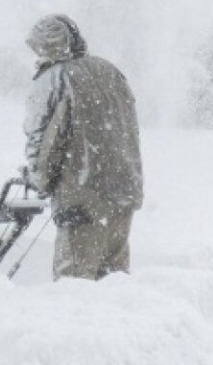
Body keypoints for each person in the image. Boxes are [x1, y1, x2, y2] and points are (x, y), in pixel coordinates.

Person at [23, 14, 142, 280]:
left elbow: (45, 140)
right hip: (124, 191)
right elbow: (128, 129)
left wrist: (40, 178)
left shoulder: (55, 78)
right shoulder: (110, 71)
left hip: (81, 196)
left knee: (74, 283)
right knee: (114, 280)